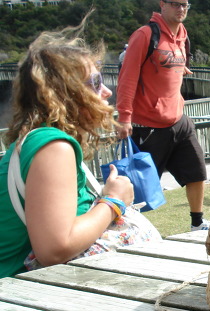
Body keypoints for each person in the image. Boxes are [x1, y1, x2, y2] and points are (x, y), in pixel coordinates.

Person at [0, 14, 135, 279]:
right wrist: (114, 201)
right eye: (95, 83)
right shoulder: (54, 147)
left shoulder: (39, 141)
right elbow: (54, 249)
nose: (107, 91)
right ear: (66, 93)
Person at [116, 0, 209, 231]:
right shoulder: (145, 35)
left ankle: (197, 223)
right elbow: (127, 78)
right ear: (162, 4)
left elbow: (170, 63)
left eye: (185, 4)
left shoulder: (182, 35)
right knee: (139, 186)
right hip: (149, 125)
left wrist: (179, 68)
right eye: (175, 4)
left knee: (196, 172)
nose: (181, 9)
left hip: (178, 120)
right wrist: (125, 117)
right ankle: (126, 230)